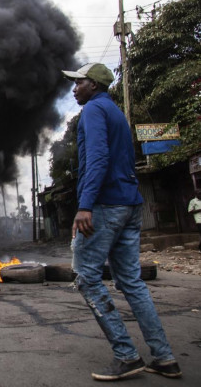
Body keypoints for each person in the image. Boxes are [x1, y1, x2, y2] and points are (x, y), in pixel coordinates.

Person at [63, 63, 182, 381]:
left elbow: (98, 158)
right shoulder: (115, 113)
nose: (74, 89)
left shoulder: (92, 110)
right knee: (131, 281)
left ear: (95, 86)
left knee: (86, 278)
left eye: (79, 83)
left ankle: (127, 355)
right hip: (130, 205)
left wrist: (85, 205)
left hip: (105, 206)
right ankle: (164, 357)